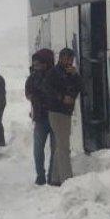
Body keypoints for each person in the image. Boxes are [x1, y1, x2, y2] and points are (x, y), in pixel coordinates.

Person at [42, 47, 81, 185]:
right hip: (57, 112)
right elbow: (47, 89)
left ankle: (55, 178)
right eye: (68, 58)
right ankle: (67, 179)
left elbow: (79, 87)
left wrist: (76, 75)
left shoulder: (71, 73)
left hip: (66, 112)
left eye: (72, 59)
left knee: (60, 144)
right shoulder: (54, 73)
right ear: (61, 58)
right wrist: (62, 98)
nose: (70, 61)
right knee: (64, 145)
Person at [25, 48, 55, 185]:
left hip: (55, 117)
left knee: (55, 149)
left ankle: (52, 175)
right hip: (40, 118)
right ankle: (41, 176)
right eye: (35, 63)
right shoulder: (33, 77)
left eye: (39, 63)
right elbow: (28, 93)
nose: (36, 66)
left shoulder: (55, 75)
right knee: (38, 150)